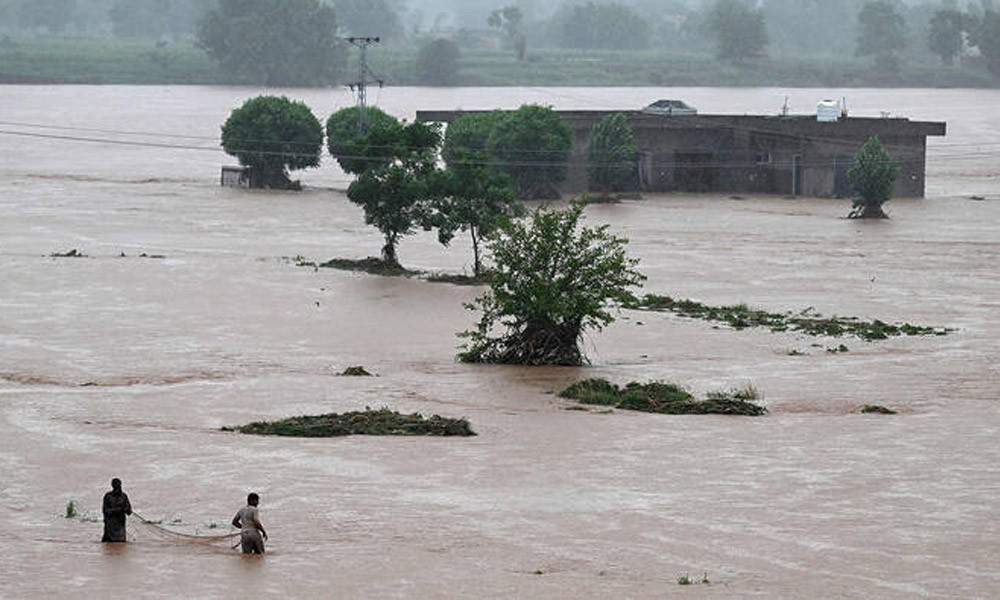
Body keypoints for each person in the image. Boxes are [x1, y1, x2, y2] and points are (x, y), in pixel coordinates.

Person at [101, 478, 132, 542]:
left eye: (119, 485)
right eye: (116, 486)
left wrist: (126, 509)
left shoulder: (124, 496)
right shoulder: (108, 496)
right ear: (113, 486)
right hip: (110, 526)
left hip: (120, 525)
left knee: (121, 545)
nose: (119, 487)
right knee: (109, 545)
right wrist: (116, 510)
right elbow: (105, 511)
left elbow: (129, 511)